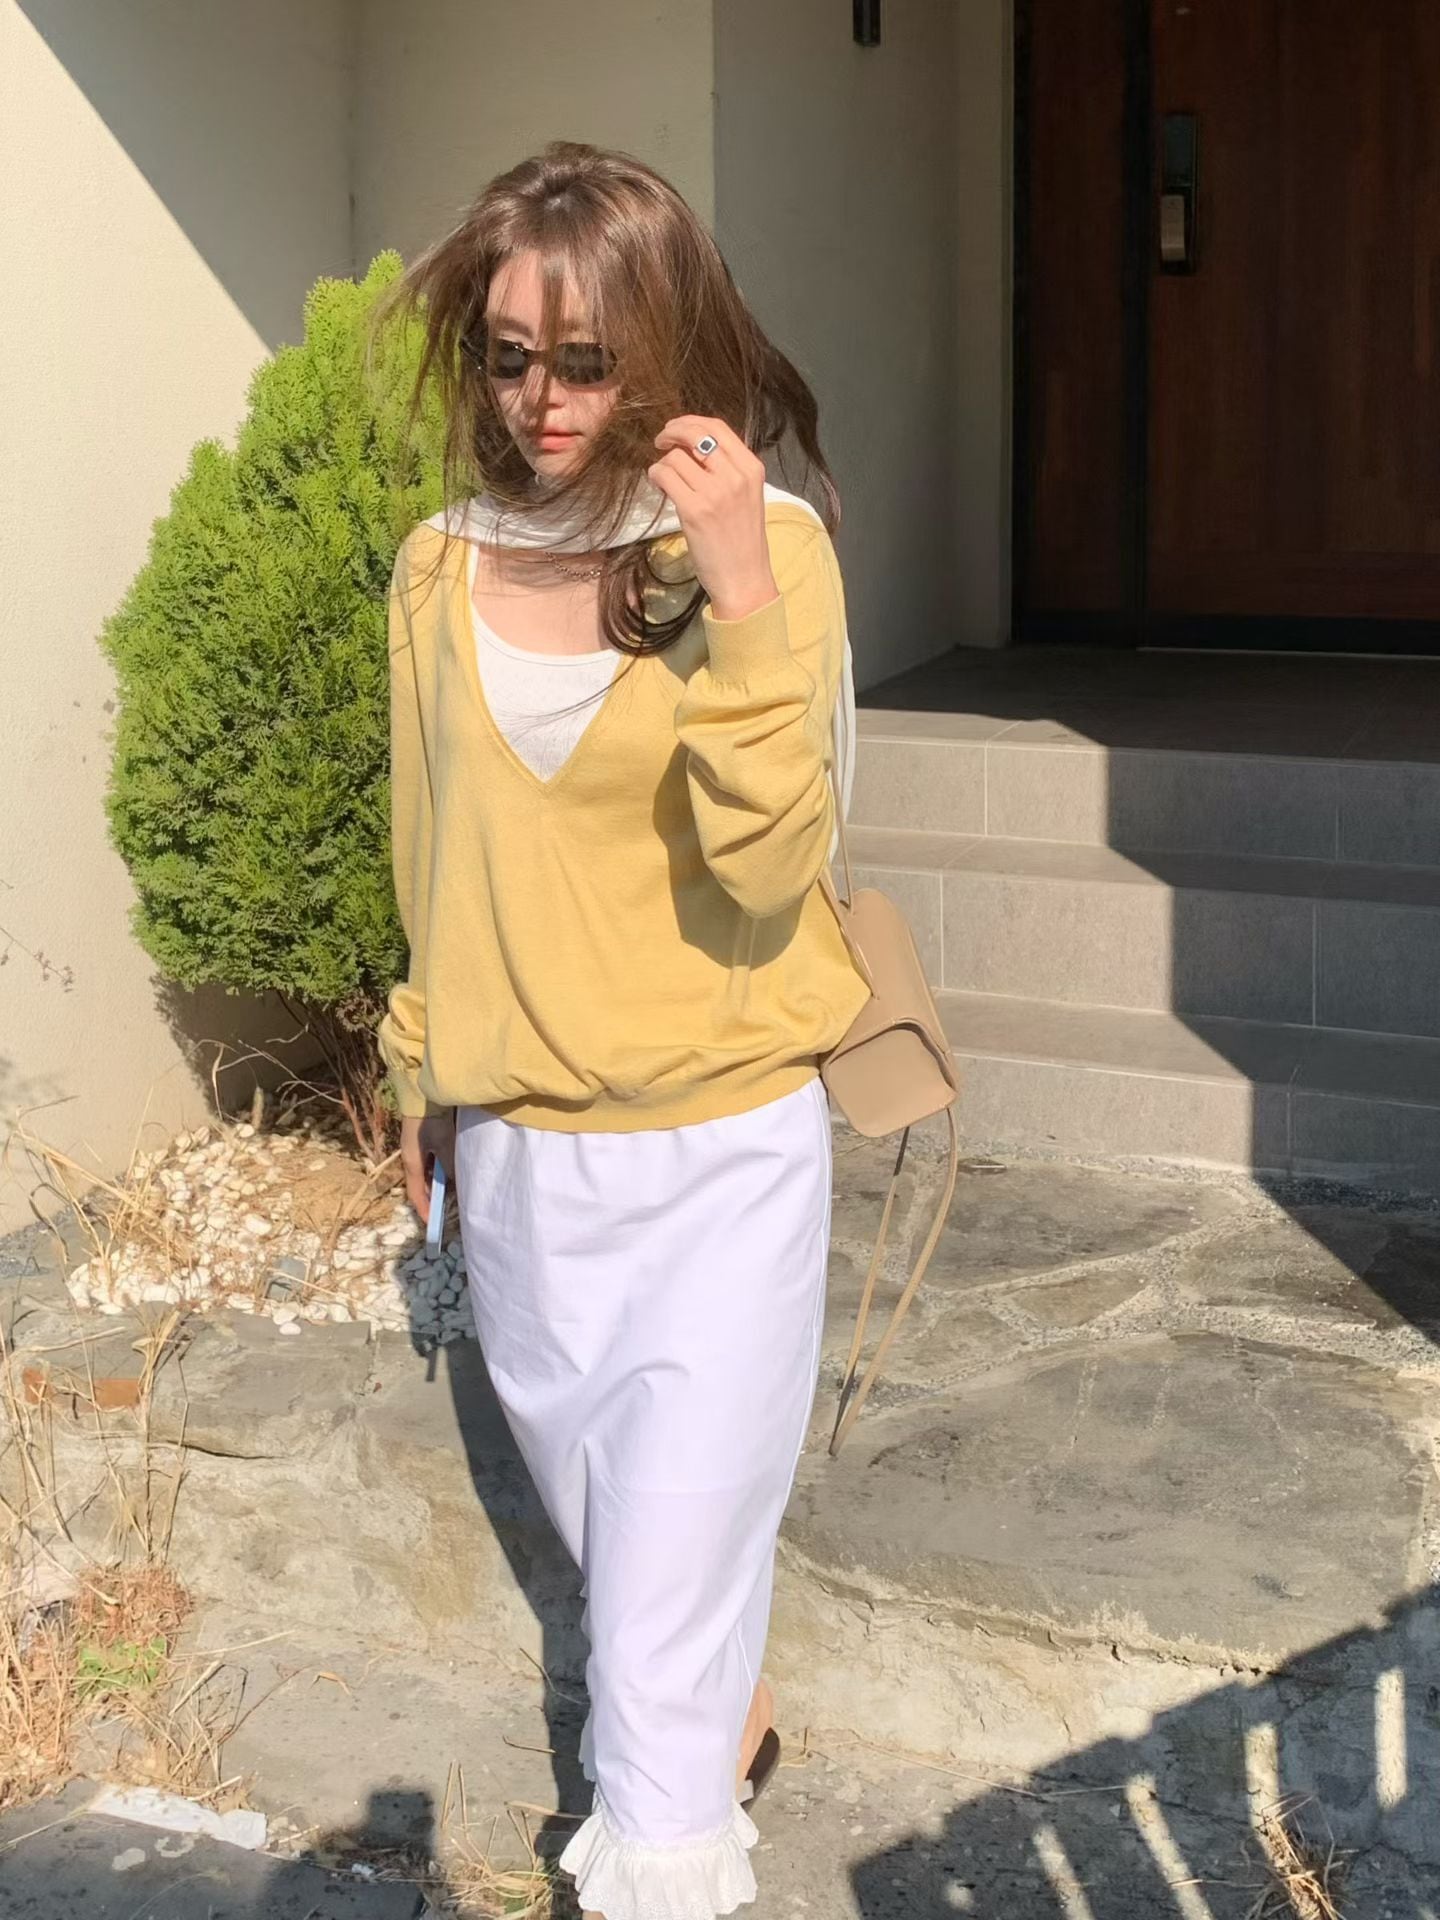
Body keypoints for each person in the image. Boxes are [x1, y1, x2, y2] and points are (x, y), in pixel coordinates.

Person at [374, 140, 869, 1920]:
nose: (543, 399)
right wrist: (423, 1079)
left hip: (725, 1156)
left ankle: (656, 1867)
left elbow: (775, 864)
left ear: (665, 343)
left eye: (585, 359)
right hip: (523, 1169)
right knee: (648, 1590)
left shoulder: (769, 548)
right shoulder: (437, 568)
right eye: (510, 356)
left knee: (645, 1647)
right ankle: (723, 1733)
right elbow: (432, 852)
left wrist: (734, 589)